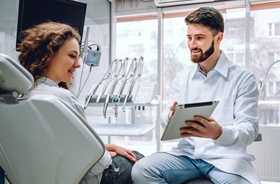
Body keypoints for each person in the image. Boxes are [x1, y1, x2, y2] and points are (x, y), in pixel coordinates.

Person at [132, 7, 260, 184]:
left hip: (225, 159)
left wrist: (219, 133)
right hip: (188, 156)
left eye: (199, 38)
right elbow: (164, 118)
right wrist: (170, 116)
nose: (192, 45)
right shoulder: (182, 77)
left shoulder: (243, 78)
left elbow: (249, 129)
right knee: (142, 169)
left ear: (218, 38)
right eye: (189, 38)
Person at [16, 21, 144, 184]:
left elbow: (62, 146)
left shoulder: (21, 96)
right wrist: (105, 155)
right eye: (71, 56)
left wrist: (106, 147)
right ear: (48, 54)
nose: (77, 65)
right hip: (89, 177)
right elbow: (97, 163)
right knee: (139, 159)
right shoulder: (61, 98)